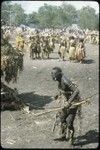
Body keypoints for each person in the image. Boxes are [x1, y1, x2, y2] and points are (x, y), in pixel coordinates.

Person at [51, 67, 82, 145]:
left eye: (53, 74)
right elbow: (63, 90)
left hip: (73, 102)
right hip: (65, 102)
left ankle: (71, 138)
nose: (52, 75)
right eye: (51, 73)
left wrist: (69, 102)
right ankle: (64, 135)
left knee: (69, 122)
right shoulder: (59, 80)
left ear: (59, 74)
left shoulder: (65, 80)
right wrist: (57, 95)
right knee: (62, 119)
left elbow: (76, 90)